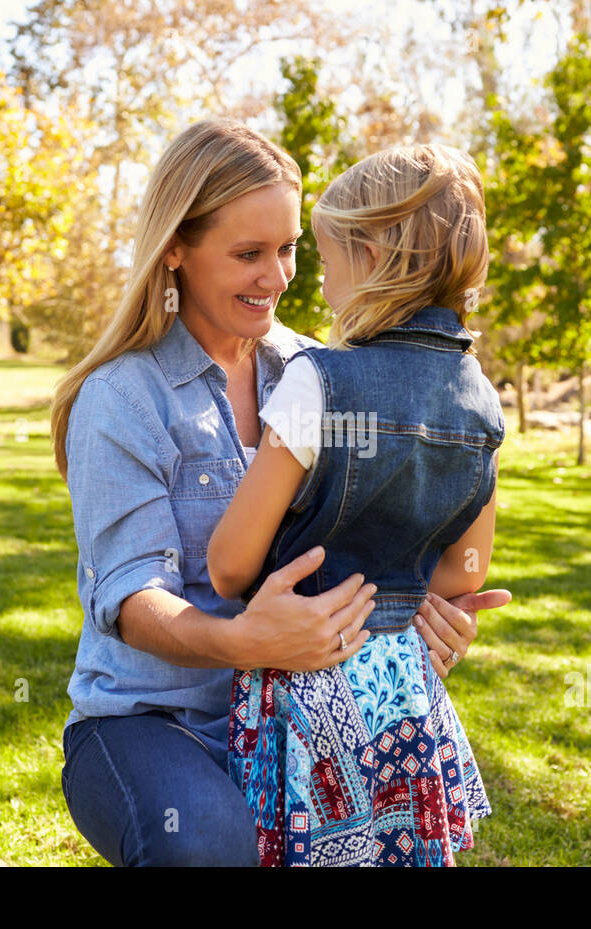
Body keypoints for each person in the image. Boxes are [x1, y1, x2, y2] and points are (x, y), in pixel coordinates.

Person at [49, 119, 510, 867]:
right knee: (205, 844)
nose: (278, 276)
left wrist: (421, 616)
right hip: (156, 720)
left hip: (304, 717)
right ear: (176, 250)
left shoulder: (326, 372)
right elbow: (132, 597)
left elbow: (396, 539)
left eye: (291, 249)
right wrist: (241, 641)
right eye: (247, 254)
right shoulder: (123, 398)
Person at [206, 143, 504, 866]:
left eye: (328, 256)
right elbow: (463, 576)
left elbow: (229, 565)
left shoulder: (318, 382)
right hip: (403, 692)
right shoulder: (480, 398)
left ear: (370, 258)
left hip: (307, 685)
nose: (317, 278)